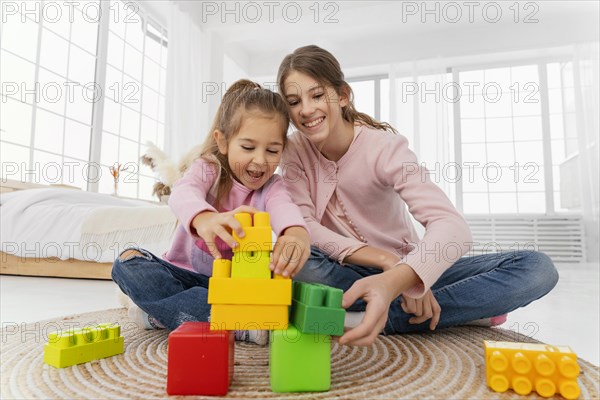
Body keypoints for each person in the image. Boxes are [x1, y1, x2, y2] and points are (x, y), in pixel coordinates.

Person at [277, 45, 559, 346]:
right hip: (344, 270)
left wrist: (406, 274)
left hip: (408, 269)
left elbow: (452, 226)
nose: (306, 109)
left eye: (317, 95)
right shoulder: (293, 151)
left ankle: (372, 316)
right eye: (294, 102)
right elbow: (304, 226)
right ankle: (452, 311)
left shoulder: (385, 148)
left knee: (537, 269)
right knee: (296, 259)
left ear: (343, 96)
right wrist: (385, 262)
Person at [112, 79, 310, 344]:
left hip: (237, 290)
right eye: (248, 147)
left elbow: (286, 210)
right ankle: (234, 324)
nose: (261, 160)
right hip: (186, 280)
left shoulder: (273, 187)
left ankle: (169, 314)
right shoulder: (209, 168)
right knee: (127, 263)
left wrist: (295, 234)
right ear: (224, 141)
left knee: (293, 294)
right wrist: (204, 217)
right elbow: (184, 191)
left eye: (272, 150)